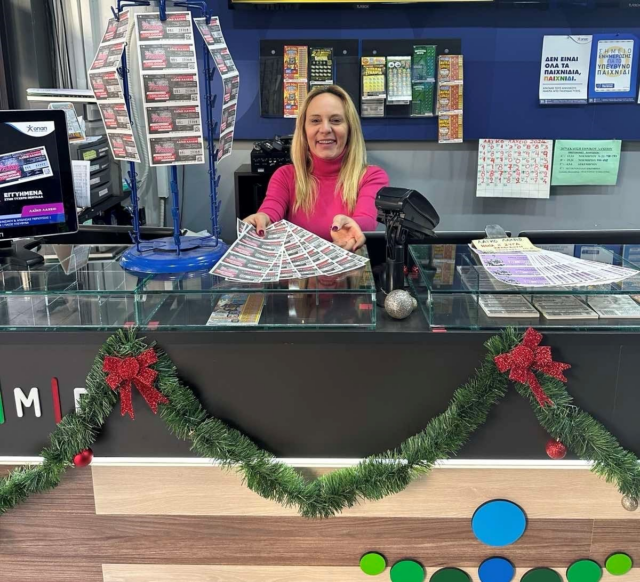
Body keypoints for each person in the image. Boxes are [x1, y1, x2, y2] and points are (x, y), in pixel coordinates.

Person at [243, 85, 389, 252]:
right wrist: (262, 219)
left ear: (350, 129)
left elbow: (367, 220)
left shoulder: (372, 177)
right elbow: (271, 210)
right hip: (298, 267)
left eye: (336, 120)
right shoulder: (285, 176)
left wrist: (353, 227)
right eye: (315, 121)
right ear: (304, 130)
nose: (325, 129)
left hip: (349, 265)